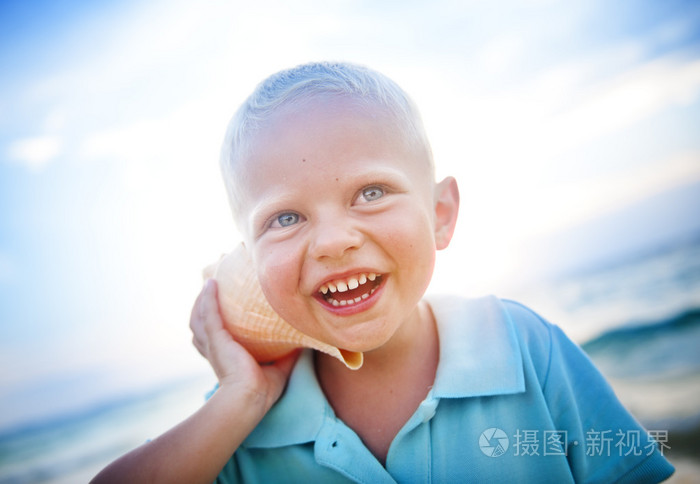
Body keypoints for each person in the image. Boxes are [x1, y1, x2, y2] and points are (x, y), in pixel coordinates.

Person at [92, 62, 675, 483]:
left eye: (371, 192)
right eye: (285, 217)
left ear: (441, 215)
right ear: (247, 256)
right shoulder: (238, 434)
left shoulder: (522, 347)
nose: (335, 240)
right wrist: (242, 397)